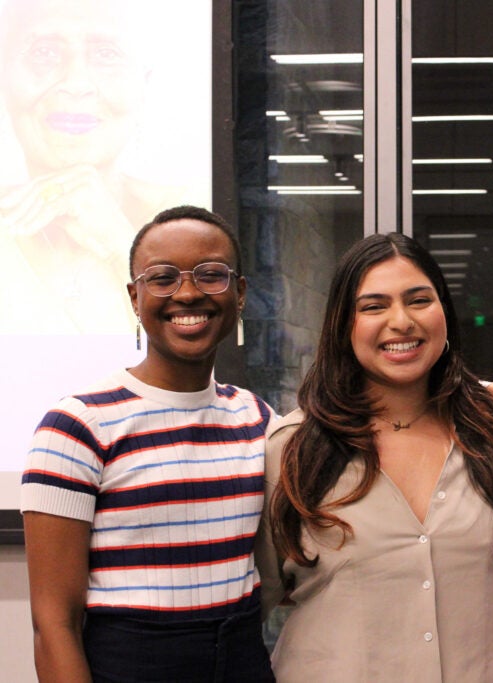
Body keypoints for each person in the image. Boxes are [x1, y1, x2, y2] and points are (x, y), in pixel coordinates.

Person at [254, 232, 493, 682]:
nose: (401, 321)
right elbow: (250, 608)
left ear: (444, 312)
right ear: (344, 324)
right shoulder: (293, 448)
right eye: (374, 306)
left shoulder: (490, 438)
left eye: (419, 300)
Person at [20, 205, 275, 682]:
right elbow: (54, 625)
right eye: (162, 278)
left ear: (238, 294)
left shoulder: (257, 419)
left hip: (242, 663)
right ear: (135, 298)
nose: (187, 293)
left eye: (211, 275)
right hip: (130, 668)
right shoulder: (77, 426)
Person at [0, 0, 199, 333]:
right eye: (44, 53)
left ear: (143, 83)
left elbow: (212, 348)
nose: (76, 83)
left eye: (107, 54)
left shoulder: (194, 215)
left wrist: (121, 242)